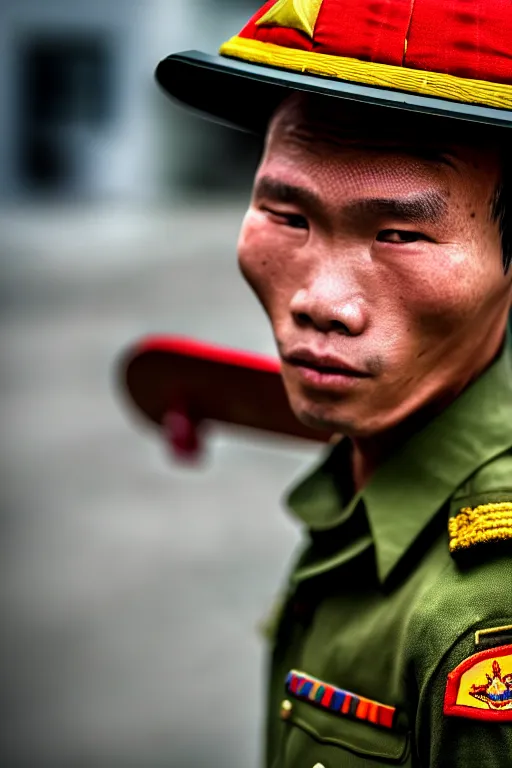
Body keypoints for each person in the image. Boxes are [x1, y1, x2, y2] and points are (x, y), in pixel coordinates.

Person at [154, 1, 512, 765]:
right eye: (286, 214)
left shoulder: (488, 607)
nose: (321, 300)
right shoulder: (383, 451)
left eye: (399, 234)